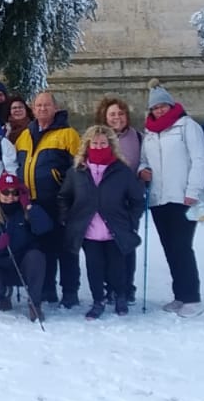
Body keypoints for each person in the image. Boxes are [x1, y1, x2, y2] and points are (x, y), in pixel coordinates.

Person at [138, 81, 204, 316]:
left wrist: (192, 191)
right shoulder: (149, 132)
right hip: (160, 200)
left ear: (171, 105)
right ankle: (179, 295)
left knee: (182, 247)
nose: (159, 111)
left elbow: (200, 159)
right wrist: (142, 171)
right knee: (170, 248)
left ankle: (192, 298)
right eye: (154, 108)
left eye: (162, 106)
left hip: (185, 198)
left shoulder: (187, 126)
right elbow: (143, 160)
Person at [60, 125, 145, 320]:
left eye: (103, 143)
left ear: (111, 145)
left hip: (114, 228)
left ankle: (120, 295)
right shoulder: (77, 171)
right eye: (94, 143)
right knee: (94, 268)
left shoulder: (121, 170)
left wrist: (130, 220)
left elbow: (136, 200)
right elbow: (64, 196)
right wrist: (68, 217)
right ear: (87, 145)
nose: (98, 147)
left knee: (117, 267)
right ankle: (98, 300)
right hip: (89, 231)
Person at [15, 91, 82, 307]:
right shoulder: (26, 135)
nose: (42, 109)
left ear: (55, 108)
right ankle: (48, 288)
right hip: (35, 204)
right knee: (44, 248)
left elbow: (79, 169)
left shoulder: (68, 134)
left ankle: (70, 291)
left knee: (66, 249)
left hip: (60, 202)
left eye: (46, 105)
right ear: (32, 109)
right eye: (38, 105)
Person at [0, 171, 53, 320]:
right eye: (6, 192)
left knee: (37, 257)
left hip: (22, 265)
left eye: (15, 193)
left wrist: (29, 207)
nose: (10, 197)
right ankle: (3, 295)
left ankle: (34, 303)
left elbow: (45, 227)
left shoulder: (26, 211)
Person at [95, 95, 143, 299]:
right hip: (104, 200)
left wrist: (144, 171)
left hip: (128, 200)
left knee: (126, 245)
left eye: (121, 113)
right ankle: (110, 287)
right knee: (105, 246)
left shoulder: (138, 137)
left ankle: (126, 287)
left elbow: (145, 162)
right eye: (112, 114)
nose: (117, 118)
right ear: (105, 117)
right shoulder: (98, 138)